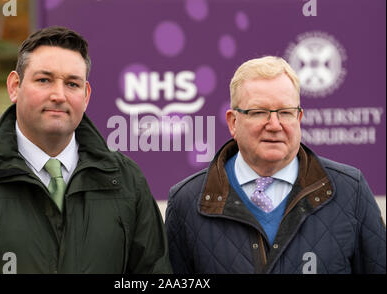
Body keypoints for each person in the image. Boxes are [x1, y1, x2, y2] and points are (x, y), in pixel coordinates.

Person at [0, 26, 172, 274]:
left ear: (86, 95)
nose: (58, 95)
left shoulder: (127, 181)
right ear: (14, 86)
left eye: (72, 84)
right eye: (44, 80)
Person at [165, 56, 386, 274]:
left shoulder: (350, 190)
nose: (274, 125)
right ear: (233, 122)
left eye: (285, 112)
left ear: (298, 119)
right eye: (259, 112)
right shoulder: (187, 202)